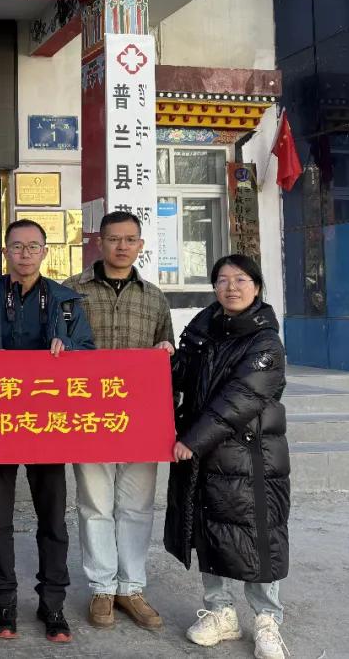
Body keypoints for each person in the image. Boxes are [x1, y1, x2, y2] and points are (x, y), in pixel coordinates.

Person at [0, 219, 95, 644]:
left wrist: (69, 348)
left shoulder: (64, 300)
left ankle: (53, 603)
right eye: (17, 246)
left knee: (53, 517)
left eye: (33, 246)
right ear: (5, 252)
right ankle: (3, 601)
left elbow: (88, 351)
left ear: (45, 252)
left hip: (47, 422)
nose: (25, 253)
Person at [165, 255, 290, 659]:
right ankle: (221, 613)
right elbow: (182, 375)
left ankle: (267, 620)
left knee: (258, 533)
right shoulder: (203, 329)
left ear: (257, 286)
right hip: (206, 453)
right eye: (222, 280)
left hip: (250, 455)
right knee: (210, 530)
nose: (231, 287)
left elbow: (242, 396)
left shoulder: (265, 342)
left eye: (240, 279)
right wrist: (166, 358)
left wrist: (193, 440)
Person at [62, 211, 175, 631]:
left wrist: (165, 351)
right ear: (100, 241)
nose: (122, 246)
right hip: (88, 415)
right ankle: (102, 587)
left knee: (136, 505)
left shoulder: (154, 297)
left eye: (130, 240)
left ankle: (131, 587)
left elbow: (167, 353)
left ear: (140, 245)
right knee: (94, 505)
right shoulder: (71, 291)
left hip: (139, 419)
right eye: (114, 239)